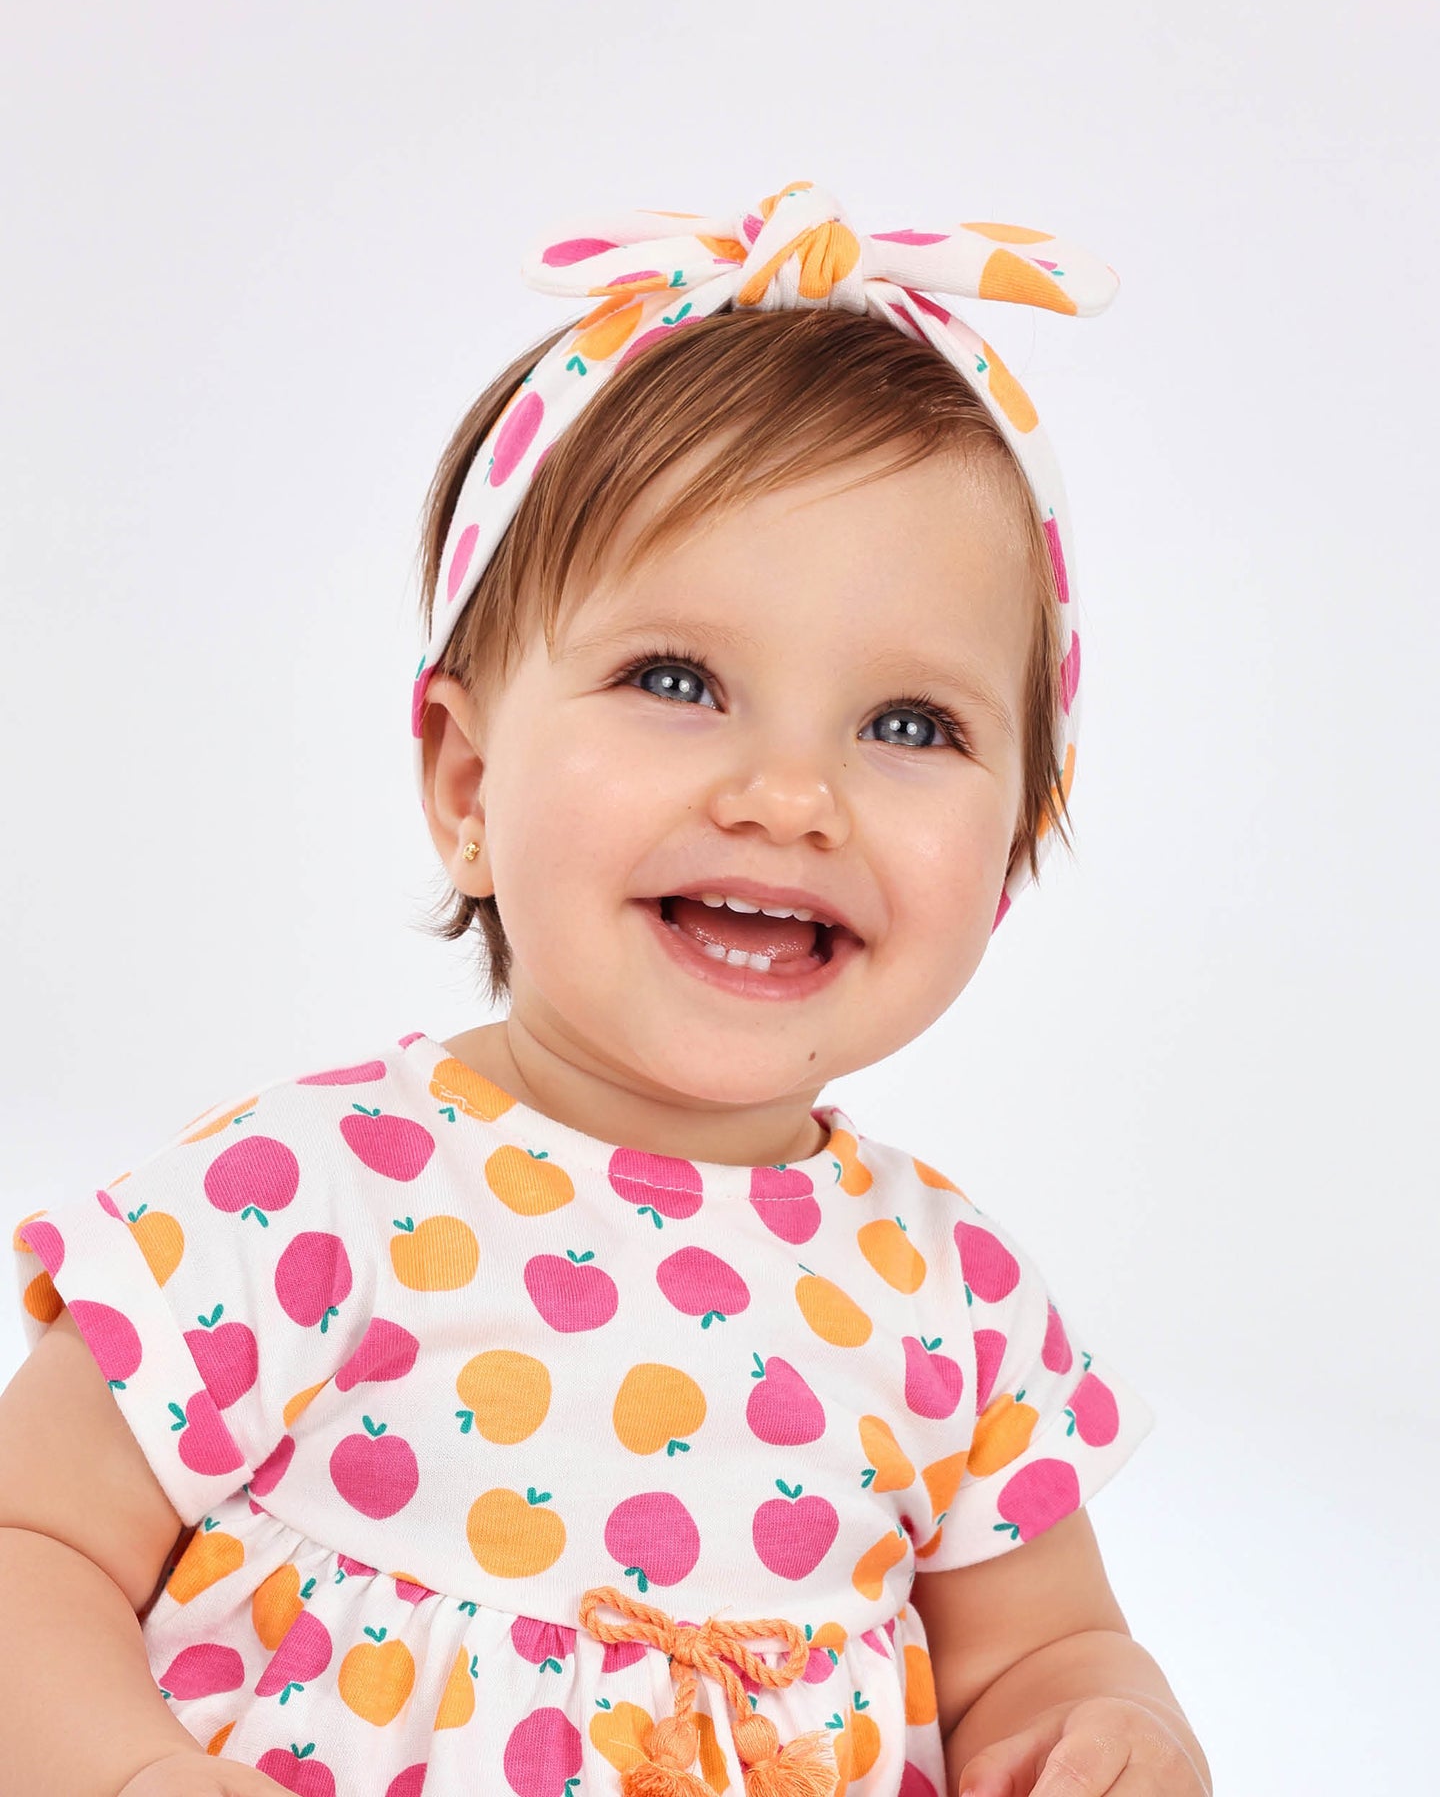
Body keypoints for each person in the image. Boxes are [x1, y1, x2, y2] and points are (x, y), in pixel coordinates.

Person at [1, 180, 1211, 1797]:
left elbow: (1044, 1652)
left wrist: (1107, 1727)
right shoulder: (298, 1202)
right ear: (467, 783)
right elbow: (32, 1548)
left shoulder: (958, 1303)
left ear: (1010, 852)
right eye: (677, 680)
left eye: (910, 725)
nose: (792, 796)